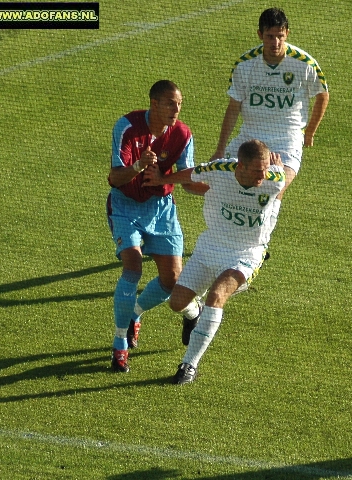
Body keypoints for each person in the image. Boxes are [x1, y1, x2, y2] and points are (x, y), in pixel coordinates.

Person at [143, 139, 285, 384]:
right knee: (177, 303)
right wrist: (162, 180)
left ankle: (189, 365)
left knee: (217, 295)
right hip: (210, 246)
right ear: (239, 166)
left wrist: (275, 172)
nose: (262, 176)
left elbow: (277, 185)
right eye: (256, 171)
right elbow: (192, 174)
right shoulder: (221, 170)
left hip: (246, 253)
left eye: (265, 170)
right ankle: (194, 313)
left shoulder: (274, 180)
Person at [106, 79, 208, 373]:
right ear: (154, 104)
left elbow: (187, 179)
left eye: (179, 104)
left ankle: (135, 314)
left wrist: (218, 188)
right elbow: (114, 177)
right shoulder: (126, 127)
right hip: (125, 206)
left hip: (161, 210)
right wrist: (137, 166)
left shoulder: (183, 134)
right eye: (170, 104)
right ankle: (119, 344)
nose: (177, 109)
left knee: (172, 281)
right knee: (133, 267)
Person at [210, 7, 329, 232]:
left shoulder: (303, 63)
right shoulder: (245, 64)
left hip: (287, 140)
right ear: (259, 35)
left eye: (280, 36)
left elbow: (323, 94)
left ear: (287, 34)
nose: (275, 42)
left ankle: (261, 241)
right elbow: (233, 107)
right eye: (270, 36)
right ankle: (226, 231)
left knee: (276, 186)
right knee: (225, 181)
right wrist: (220, 148)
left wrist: (310, 132)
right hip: (250, 136)